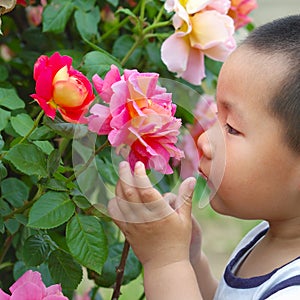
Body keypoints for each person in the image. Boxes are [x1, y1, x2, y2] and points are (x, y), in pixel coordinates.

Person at [108, 15, 300, 300]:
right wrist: (190, 259)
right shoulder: (269, 237)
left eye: (232, 128)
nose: (204, 140)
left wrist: (166, 262)